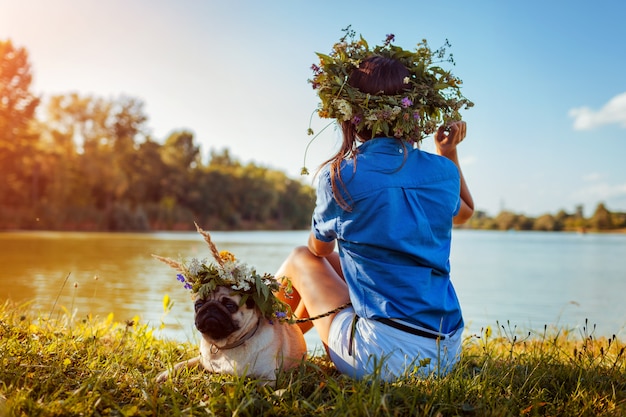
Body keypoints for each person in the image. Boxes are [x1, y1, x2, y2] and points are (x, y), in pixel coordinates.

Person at [276, 32, 474, 381]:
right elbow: (466, 212)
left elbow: (317, 250)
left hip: (381, 358)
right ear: (413, 110)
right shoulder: (442, 170)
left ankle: (262, 343)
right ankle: (277, 341)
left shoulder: (340, 176)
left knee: (300, 259)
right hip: (446, 350)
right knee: (343, 264)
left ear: (351, 112)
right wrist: (448, 152)